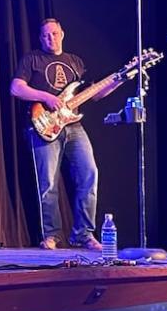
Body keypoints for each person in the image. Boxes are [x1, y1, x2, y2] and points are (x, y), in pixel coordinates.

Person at [10, 19, 123, 250]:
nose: (50, 38)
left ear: (62, 33)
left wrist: (119, 80)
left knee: (89, 173)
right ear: (40, 38)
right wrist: (46, 97)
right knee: (48, 182)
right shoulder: (32, 59)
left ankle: (83, 234)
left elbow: (94, 95)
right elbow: (16, 88)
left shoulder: (75, 62)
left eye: (54, 33)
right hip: (44, 124)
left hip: (73, 126)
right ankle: (51, 235)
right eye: (45, 35)